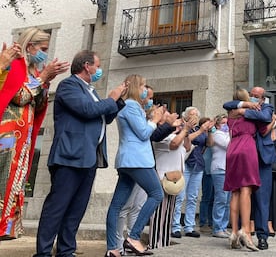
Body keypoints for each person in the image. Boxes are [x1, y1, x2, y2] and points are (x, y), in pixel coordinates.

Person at [33, 50, 126, 256]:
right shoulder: (69, 86)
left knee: (77, 208)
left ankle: (66, 250)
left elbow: (103, 117)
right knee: (57, 207)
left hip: (89, 157)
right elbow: (87, 110)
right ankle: (43, 253)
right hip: (69, 156)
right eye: (97, 65)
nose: (98, 70)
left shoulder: (90, 90)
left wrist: (117, 102)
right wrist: (111, 98)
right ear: (86, 66)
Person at [0, 28, 70, 240]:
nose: (45, 54)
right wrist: (43, 78)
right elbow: (20, 96)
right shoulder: (14, 65)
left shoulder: (32, 72)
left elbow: (38, 104)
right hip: (8, 136)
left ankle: (9, 228)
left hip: (24, 137)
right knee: (4, 180)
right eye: (43, 49)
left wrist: (45, 80)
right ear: (29, 46)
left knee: (17, 180)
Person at [105, 74, 165, 257]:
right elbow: (143, 132)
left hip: (129, 160)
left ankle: (112, 248)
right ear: (135, 87)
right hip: (137, 160)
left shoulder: (129, 106)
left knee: (117, 205)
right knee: (156, 194)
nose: (145, 90)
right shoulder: (131, 105)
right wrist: (154, 120)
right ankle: (133, 237)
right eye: (143, 86)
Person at [115, 86, 178, 253]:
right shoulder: (132, 108)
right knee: (127, 205)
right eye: (148, 96)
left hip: (141, 162)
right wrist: (159, 121)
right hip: (135, 162)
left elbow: (150, 134)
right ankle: (123, 241)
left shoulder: (139, 110)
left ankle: (129, 241)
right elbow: (148, 134)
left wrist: (170, 125)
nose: (149, 100)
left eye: (150, 97)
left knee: (136, 205)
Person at [223, 86, 275, 250]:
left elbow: (265, 116)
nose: (253, 99)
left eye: (256, 96)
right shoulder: (244, 110)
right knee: (246, 190)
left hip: (235, 151)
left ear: (262, 98)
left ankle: (236, 232)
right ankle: (246, 231)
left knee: (238, 192)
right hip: (247, 151)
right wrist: (272, 122)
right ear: (246, 97)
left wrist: (242, 109)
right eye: (250, 96)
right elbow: (265, 126)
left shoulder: (233, 112)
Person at [148, 115, 196, 248]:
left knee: (169, 213)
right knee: (159, 214)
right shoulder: (159, 136)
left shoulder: (176, 134)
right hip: (162, 178)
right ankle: (155, 243)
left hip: (175, 179)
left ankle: (163, 242)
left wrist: (185, 131)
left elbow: (186, 147)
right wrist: (185, 129)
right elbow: (174, 145)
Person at [171, 109, 214, 239]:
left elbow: (209, 143)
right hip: (185, 165)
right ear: (186, 116)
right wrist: (200, 130)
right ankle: (175, 226)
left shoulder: (199, 129)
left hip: (198, 165)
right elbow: (187, 140)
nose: (194, 116)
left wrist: (210, 131)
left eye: (196, 114)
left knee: (193, 197)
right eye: (192, 113)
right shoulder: (182, 128)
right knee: (179, 196)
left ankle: (189, 227)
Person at [210, 114, 231, 238]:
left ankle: (223, 226)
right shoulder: (217, 134)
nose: (226, 125)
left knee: (228, 201)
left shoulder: (227, 134)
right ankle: (217, 228)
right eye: (223, 123)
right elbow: (228, 145)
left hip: (229, 170)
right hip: (219, 169)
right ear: (218, 124)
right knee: (221, 199)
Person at [199, 146, 214, 234]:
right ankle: (203, 223)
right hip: (207, 167)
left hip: (216, 168)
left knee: (213, 198)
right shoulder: (210, 134)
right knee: (206, 197)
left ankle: (211, 222)